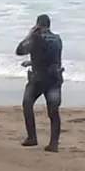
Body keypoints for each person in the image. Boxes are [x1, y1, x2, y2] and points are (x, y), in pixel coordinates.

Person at [15, 14, 64, 153]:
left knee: (27, 103)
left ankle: (32, 137)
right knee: (54, 112)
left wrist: (29, 35)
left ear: (38, 25)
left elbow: (19, 51)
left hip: (38, 79)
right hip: (54, 79)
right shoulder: (58, 39)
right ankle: (54, 144)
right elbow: (50, 58)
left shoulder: (35, 38)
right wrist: (31, 62)